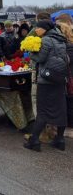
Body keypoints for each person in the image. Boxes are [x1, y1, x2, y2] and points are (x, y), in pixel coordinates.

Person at [24, 20, 69, 152]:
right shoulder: (61, 39)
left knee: (43, 110)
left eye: (38, 28)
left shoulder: (46, 40)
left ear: (44, 29)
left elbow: (40, 59)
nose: (36, 30)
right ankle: (60, 140)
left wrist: (30, 52)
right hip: (59, 79)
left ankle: (34, 141)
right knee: (60, 109)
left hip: (46, 80)